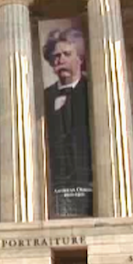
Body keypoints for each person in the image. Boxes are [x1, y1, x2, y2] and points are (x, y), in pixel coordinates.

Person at [42, 27, 93, 217]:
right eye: (55, 56)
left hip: (86, 180)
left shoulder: (94, 90)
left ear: (79, 58)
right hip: (57, 180)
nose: (60, 59)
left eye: (66, 54)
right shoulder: (45, 96)